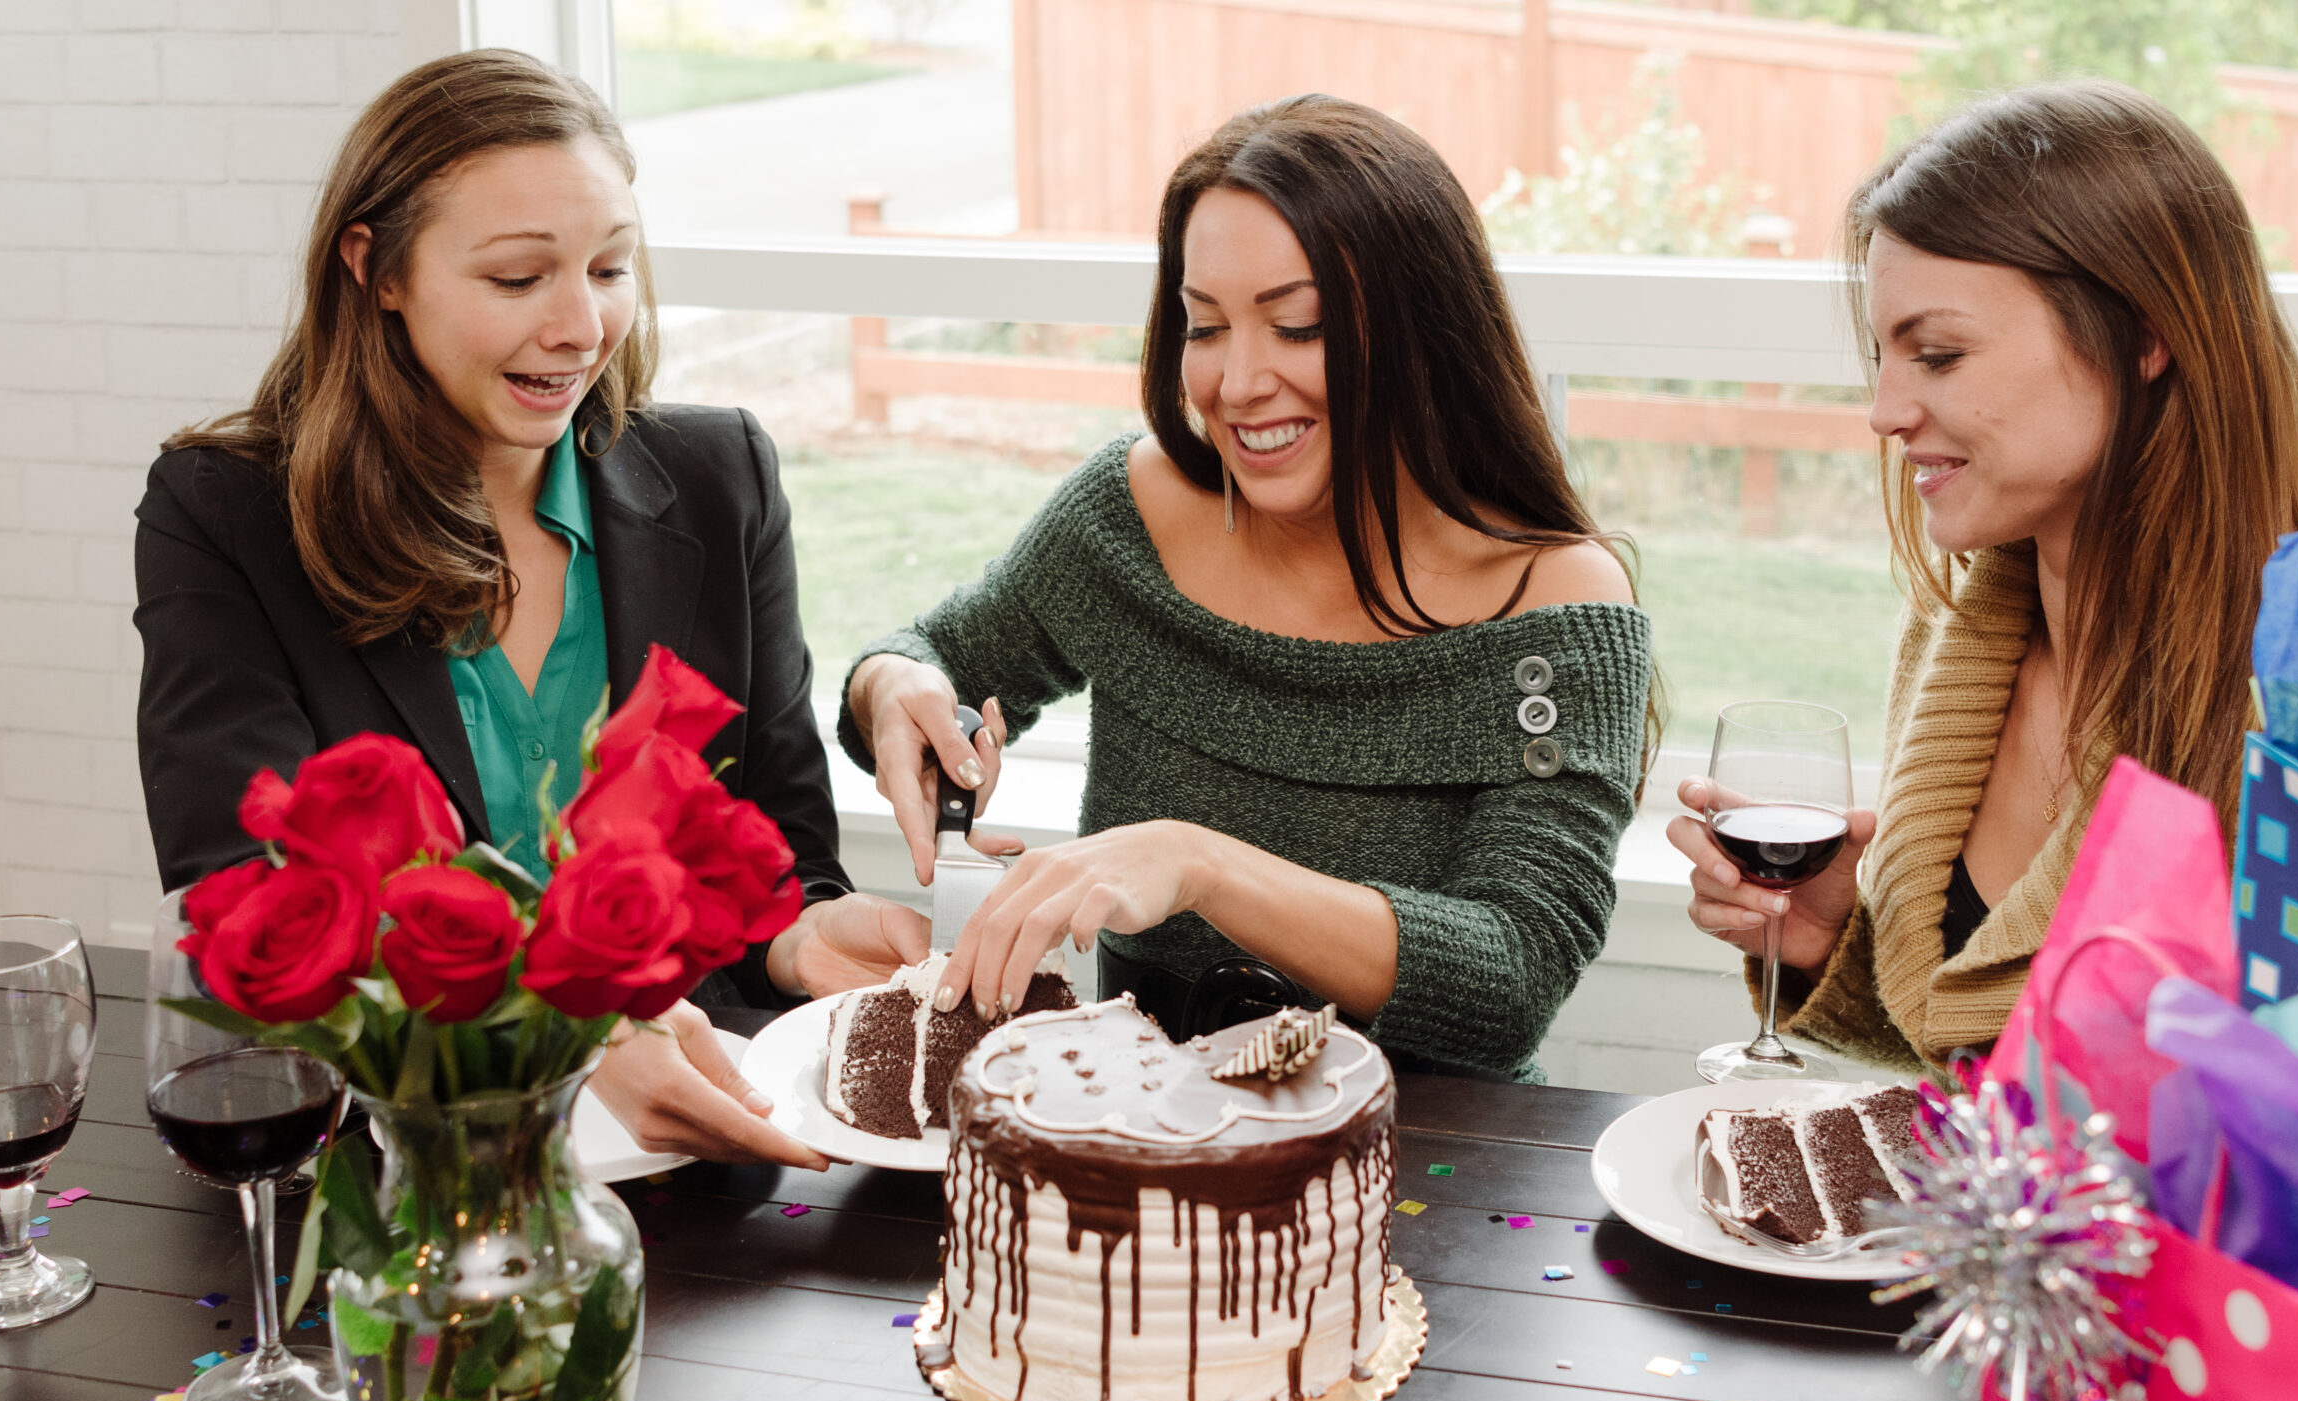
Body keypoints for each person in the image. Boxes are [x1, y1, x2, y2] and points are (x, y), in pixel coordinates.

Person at [132, 50, 923, 1166]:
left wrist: (800, 939)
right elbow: (242, 884)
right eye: (517, 279)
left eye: (609, 268)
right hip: (389, 1165)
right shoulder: (227, 514)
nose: (580, 327)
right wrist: (569, 1037)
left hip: (689, 1164)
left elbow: (776, 847)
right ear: (377, 270)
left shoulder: (719, 475)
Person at [841, 95, 1661, 1081]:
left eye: (1298, 327)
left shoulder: (1557, 601)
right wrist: (890, 687)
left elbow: (1514, 982)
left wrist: (1199, 865)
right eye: (1205, 327)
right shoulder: (1132, 514)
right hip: (1133, 1160)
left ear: (1424, 328)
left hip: (1421, 1178)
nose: (1236, 383)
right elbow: (935, 661)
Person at [1670, 81, 2298, 1075]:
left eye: (1938, 356)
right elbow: (1977, 1079)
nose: (1885, 412)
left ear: (2146, 334)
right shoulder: (1949, 642)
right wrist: (1827, 941)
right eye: (1883, 359)